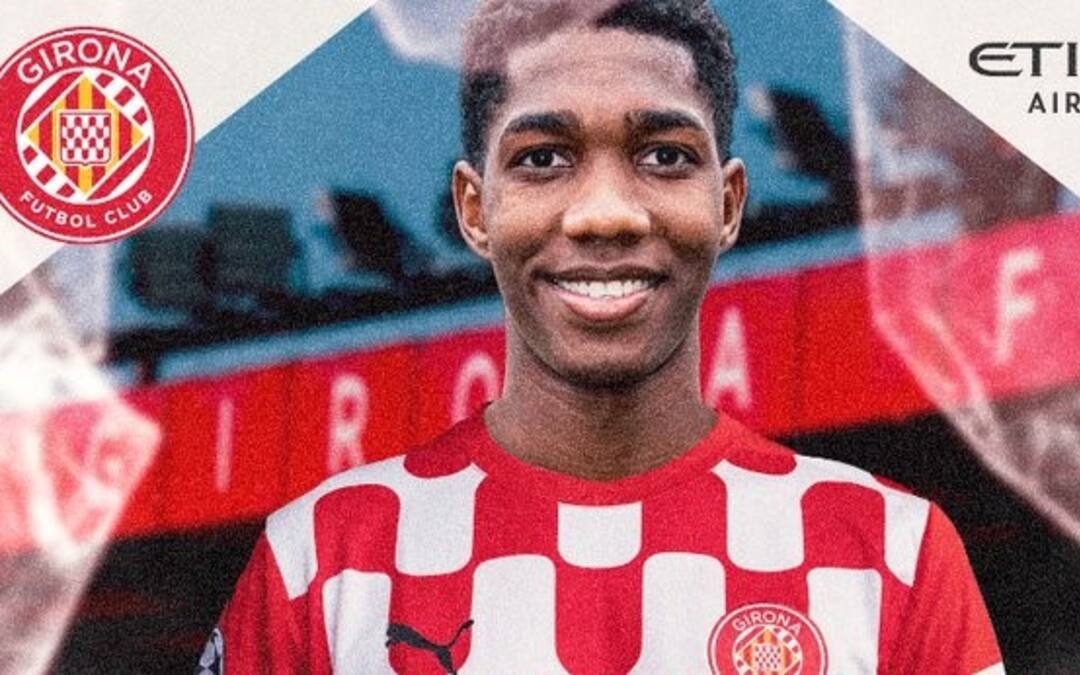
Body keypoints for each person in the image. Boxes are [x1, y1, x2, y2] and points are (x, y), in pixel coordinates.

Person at [201, 1, 1005, 673]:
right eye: (544, 157)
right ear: (475, 211)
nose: (605, 213)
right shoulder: (321, 560)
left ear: (728, 204)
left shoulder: (893, 554)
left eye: (665, 155)